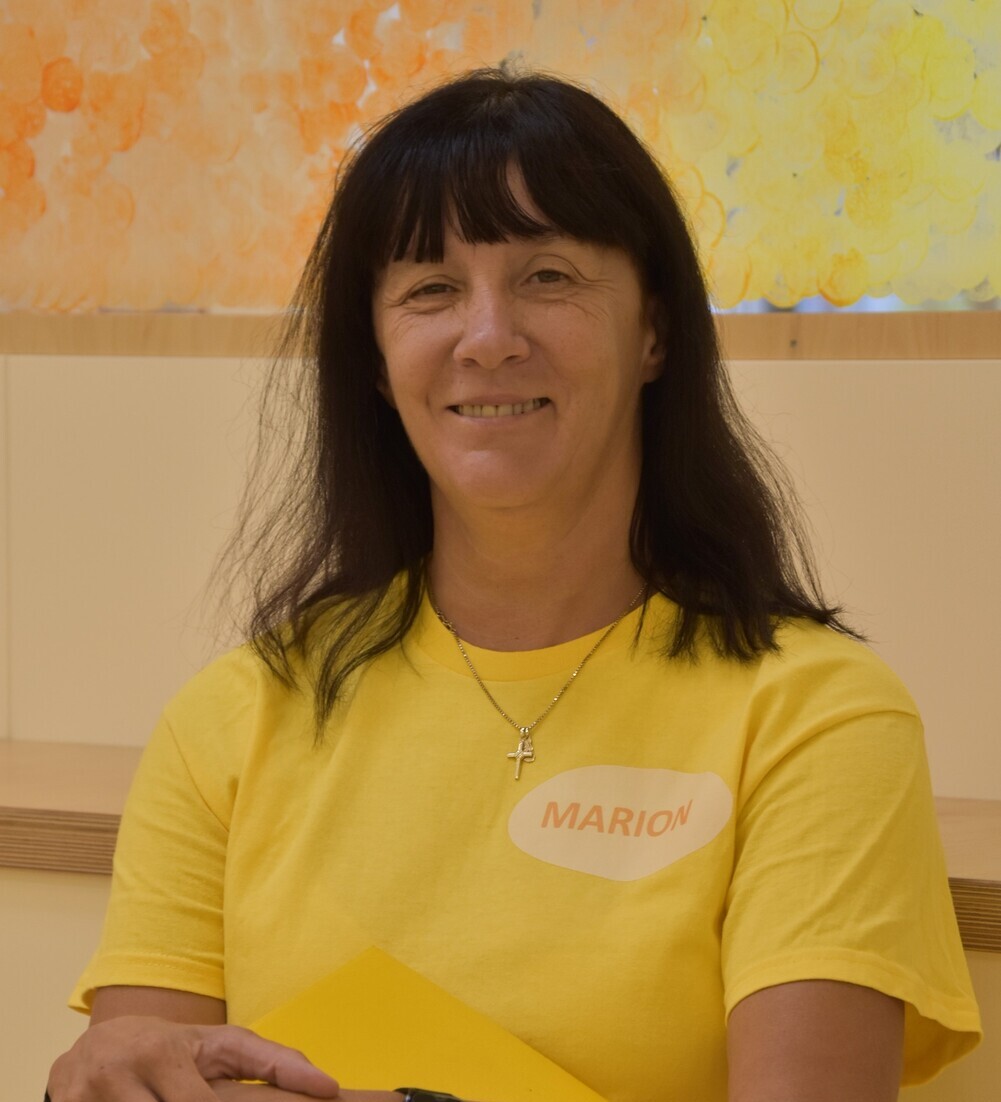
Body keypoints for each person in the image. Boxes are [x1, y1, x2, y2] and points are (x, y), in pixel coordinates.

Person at [47, 67, 979, 1102]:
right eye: (429, 290)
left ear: (654, 330)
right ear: (375, 356)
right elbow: (151, 1078)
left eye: (546, 276)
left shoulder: (818, 717)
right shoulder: (232, 719)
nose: (487, 337)